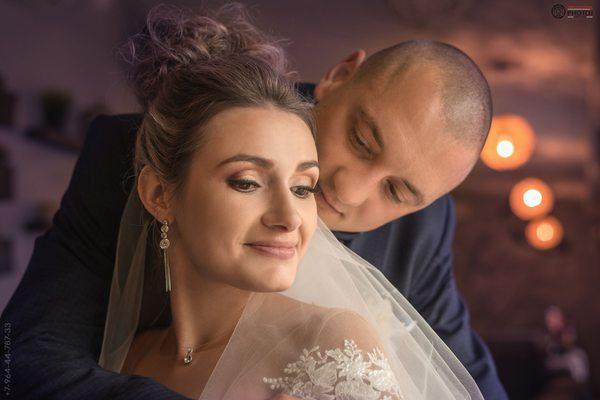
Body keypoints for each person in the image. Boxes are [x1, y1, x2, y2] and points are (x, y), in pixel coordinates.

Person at [0, 4, 507, 400]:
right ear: (338, 76)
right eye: (360, 140)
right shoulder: (128, 154)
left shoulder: (422, 229)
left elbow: (459, 365)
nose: (347, 191)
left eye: (396, 192)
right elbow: (23, 357)